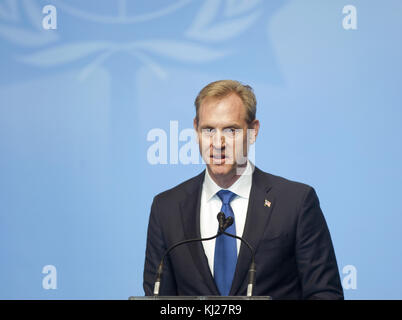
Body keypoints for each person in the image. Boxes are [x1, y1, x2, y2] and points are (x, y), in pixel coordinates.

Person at [143, 80, 344, 299]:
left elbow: (325, 294)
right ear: (195, 129)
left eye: (231, 130)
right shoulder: (167, 208)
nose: (218, 143)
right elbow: (159, 298)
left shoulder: (295, 203)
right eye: (208, 130)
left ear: (253, 131)